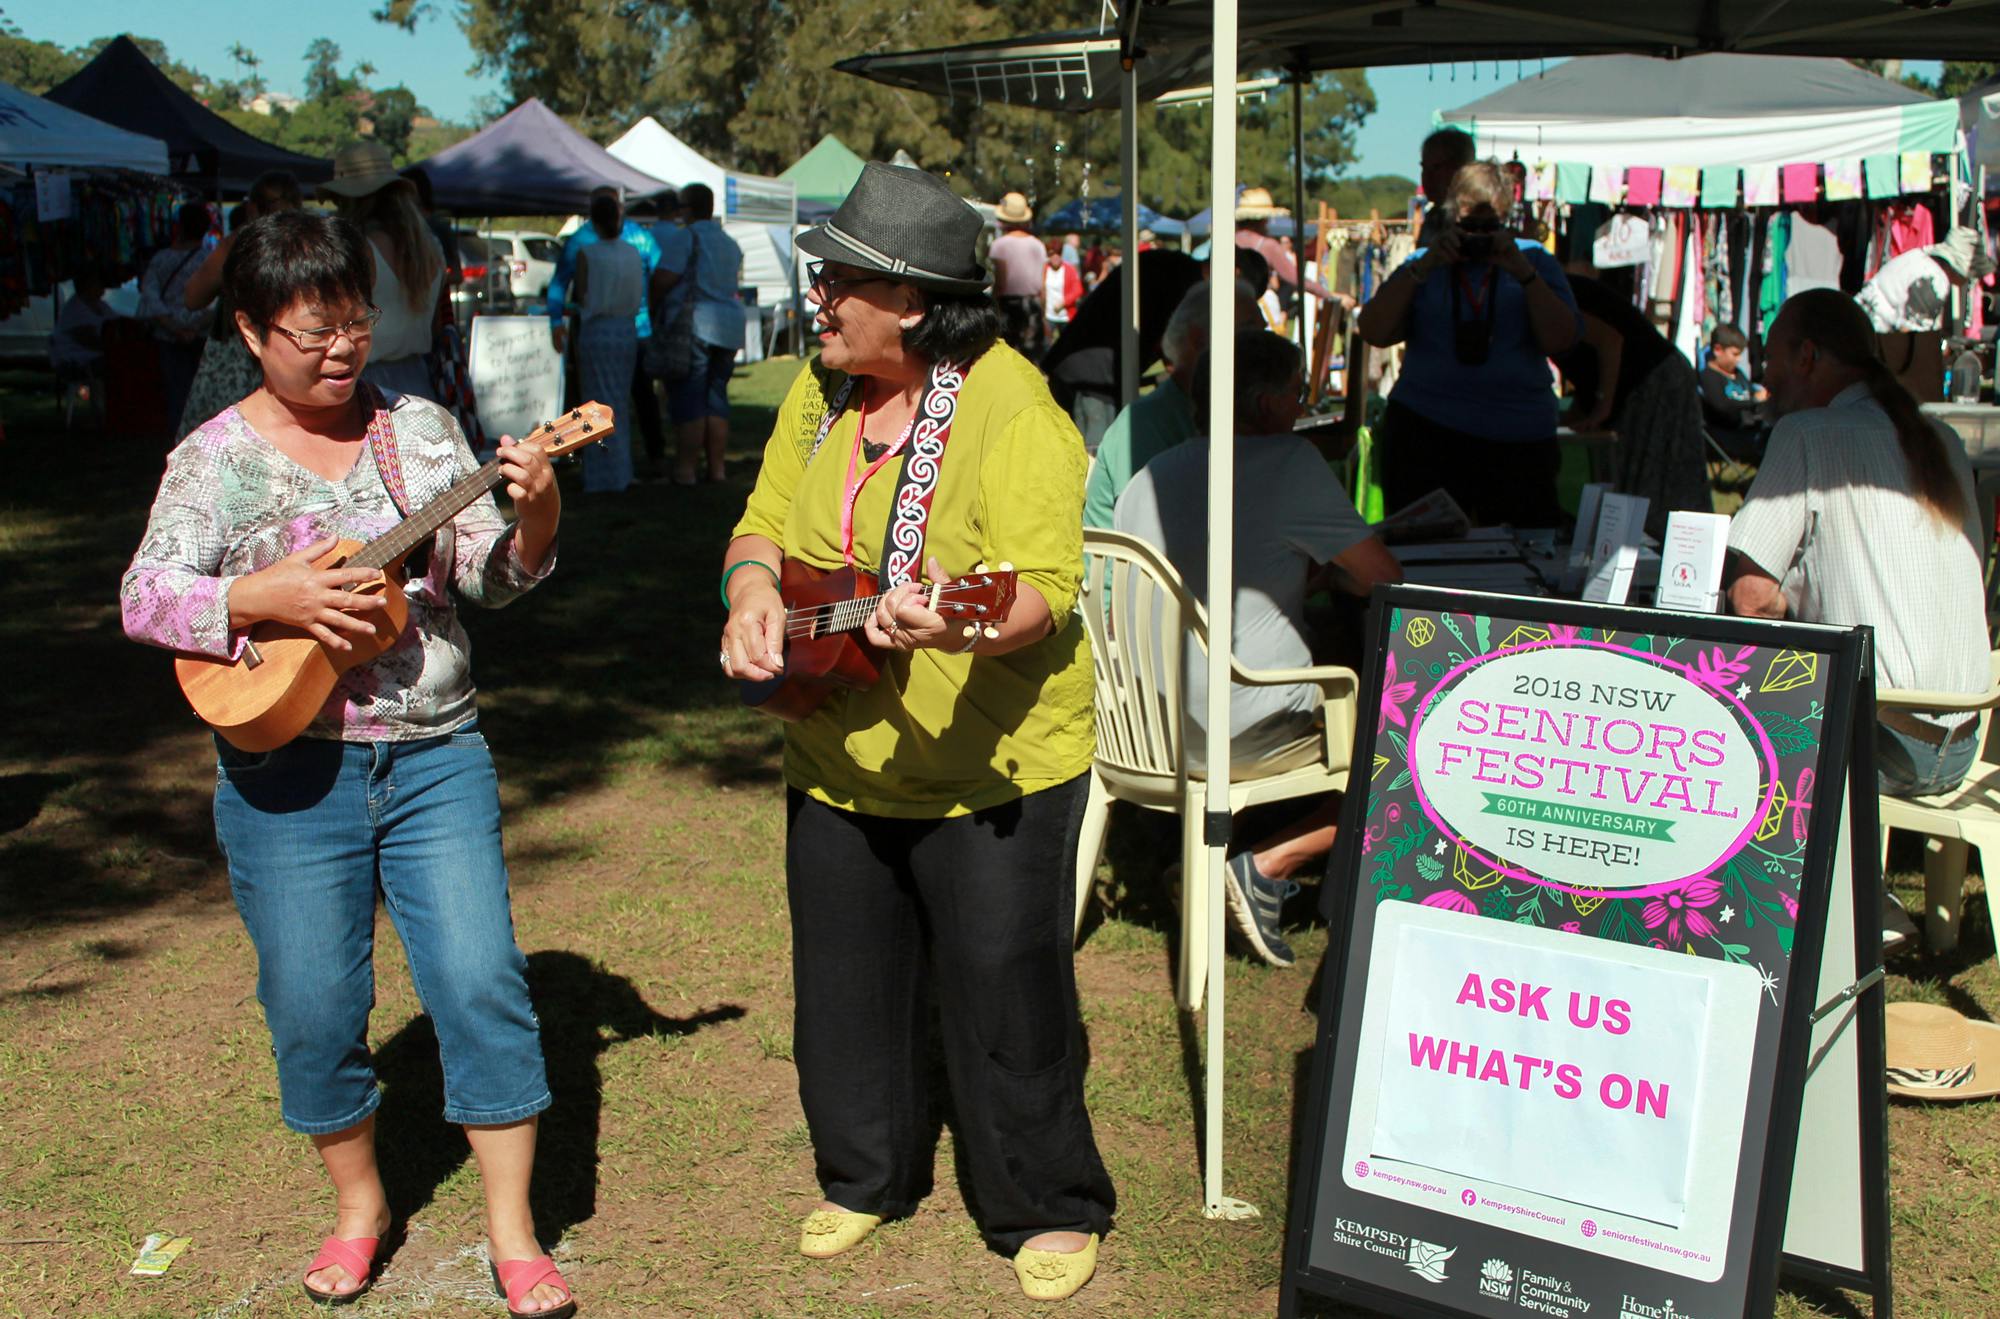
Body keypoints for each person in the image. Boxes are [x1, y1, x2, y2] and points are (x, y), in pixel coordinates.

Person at [118, 210, 576, 1317]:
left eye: (355, 325)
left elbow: (487, 579)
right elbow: (143, 596)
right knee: (314, 1007)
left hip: (432, 757)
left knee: (478, 980)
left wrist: (537, 505)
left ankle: (514, 1234)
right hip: (285, 773)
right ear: (250, 329)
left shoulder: (417, 428)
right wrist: (257, 594)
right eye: (313, 331)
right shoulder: (214, 457)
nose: (340, 350)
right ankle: (361, 1208)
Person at [719, 162, 1114, 1301]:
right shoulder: (823, 386)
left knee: (1005, 986)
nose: (819, 299)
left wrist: (963, 621)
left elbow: (1038, 585)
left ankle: (1045, 1199)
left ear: (912, 300)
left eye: (840, 280)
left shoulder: (1011, 410)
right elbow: (759, 519)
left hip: (991, 761)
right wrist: (752, 595)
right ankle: (863, 1174)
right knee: (842, 978)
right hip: (835, 741)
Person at [1113, 330, 1402, 965]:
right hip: (1233, 726)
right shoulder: (1290, 461)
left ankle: (1204, 861)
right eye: (1298, 394)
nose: (1302, 407)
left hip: (1146, 725)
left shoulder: (1149, 475)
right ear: (1267, 401)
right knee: (1401, 743)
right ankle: (1269, 862)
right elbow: (1385, 577)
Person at [1726, 288, 1989, 799]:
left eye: (1771, 358)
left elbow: (1750, 601)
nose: (1764, 376)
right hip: (1965, 741)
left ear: (1807, 356)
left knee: (1720, 726)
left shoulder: (1806, 433)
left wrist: (1789, 594)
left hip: (1881, 744)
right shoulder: (1942, 439)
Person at [1357, 161, 1582, 526]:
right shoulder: (1423, 262)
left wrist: (1523, 273)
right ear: (1450, 218)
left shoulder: (1534, 259)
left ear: (1506, 217)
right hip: (1428, 431)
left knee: (1520, 554)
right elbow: (1374, 330)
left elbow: (1562, 339)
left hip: (1517, 435)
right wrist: (1424, 267)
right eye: (1468, 226)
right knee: (1426, 554)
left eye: (1487, 226)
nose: (1477, 237)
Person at [1083, 279, 1261, 530]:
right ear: (1198, 339)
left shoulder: (1221, 413)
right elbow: (1151, 524)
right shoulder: (1143, 424)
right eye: (1250, 332)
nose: (1264, 347)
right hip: (1140, 568)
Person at [1555, 268, 1712, 536]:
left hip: (1654, 382)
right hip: (1636, 385)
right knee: (1629, 485)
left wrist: (1601, 406)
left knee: (1657, 487)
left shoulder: (1547, 294)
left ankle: (1672, 550)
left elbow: (1609, 340)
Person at [179, 171, 305, 440]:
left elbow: (192, 297)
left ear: (251, 207)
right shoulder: (311, 242)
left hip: (236, 360)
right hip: (297, 352)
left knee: (222, 441)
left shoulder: (238, 243)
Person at [318, 142, 446, 403]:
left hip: (366, 384)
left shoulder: (359, 250)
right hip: (419, 378)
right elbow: (436, 326)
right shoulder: (430, 247)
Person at [550, 185, 662, 440]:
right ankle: (629, 460)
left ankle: (647, 453)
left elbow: (566, 286)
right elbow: (559, 283)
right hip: (629, 327)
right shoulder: (588, 241)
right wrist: (556, 321)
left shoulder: (635, 238)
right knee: (615, 401)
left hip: (627, 328)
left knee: (635, 397)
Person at [653, 182, 744, 485]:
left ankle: (686, 470)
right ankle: (717, 469)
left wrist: (654, 304)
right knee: (717, 398)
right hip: (729, 327)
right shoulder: (730, 243)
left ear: (688, 209)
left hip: (696, 326)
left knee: (689, 399)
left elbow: (664, 278)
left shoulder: (686, 238)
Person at [571, 190, 646, 493]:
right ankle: (620, 471)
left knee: (595, 403)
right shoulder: (632, 252)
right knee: (619, 402)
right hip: (625, 331)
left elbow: (581, 295)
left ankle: (602, 475)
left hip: (598, 331)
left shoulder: (587, 254)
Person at [137, 201, 215, 437]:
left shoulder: (161, 259)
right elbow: (217, 300)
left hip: (168, 334)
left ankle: (179, 442)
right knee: (203, 392)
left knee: (176, 392)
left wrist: (172, 326)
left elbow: (150, 296)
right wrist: (195, 325)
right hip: (201, 333)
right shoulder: (210, 261)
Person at [1234, 187, 1353, 319]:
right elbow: (1297, 280)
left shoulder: (1226, 241)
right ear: (1263, 220)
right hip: (1258, 306)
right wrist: (1330, 296)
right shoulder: (1267, 246)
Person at [1857, 226, 1986, 334]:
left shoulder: (1919, 257)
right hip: (1870, 334)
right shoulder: (1935, 282)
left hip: (1858, 320)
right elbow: (1911, 337)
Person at [1699, 323, 1769, 459]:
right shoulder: (1708, 376)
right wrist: (1754, 400)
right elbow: (1721, 406)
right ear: (1718, 350)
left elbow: (1750, 394)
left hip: (1748, 428)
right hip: (1725, 435)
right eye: (1735, 354)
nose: (1738, 360)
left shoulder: (1738, 374)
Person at [989, 191, 1045, 355]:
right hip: (1032, 304)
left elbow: (1001, 282)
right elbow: (1042, 285)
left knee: (1007, 351)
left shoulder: (1000, 245)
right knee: (1030, 354)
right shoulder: (1037, 245)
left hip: (1008, 305)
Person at [1415, 128, 1478, 248]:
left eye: (1436, 168)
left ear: (1460, 169)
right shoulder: (1433, 218)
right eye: (1424, 167)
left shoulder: (1474, 220)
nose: (1427, 176)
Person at [1042, 239, 1084, 344]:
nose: (1055, 257)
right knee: (1046, 345)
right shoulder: (1044, 269)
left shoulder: (1069, 269)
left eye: (1058, 254)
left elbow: (1078, 290)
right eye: (1052, 254)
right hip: (1048, 315)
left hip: (1065, 316)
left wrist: (1064, 302)